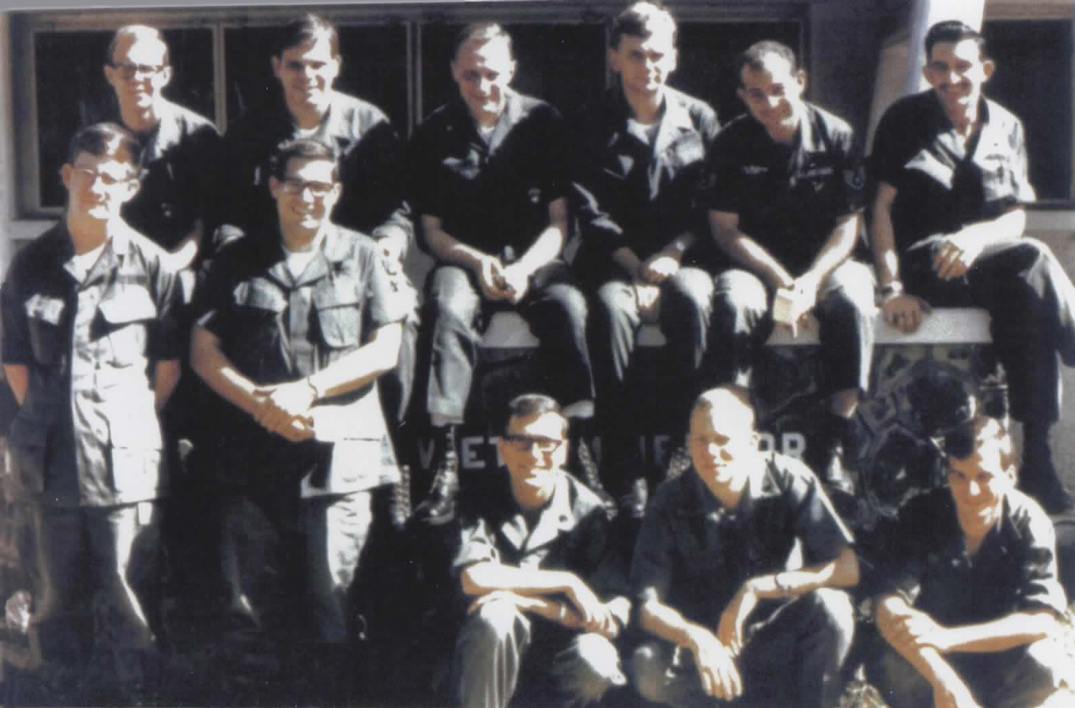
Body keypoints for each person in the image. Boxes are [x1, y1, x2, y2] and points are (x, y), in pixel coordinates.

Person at [190, 138, 406, 702]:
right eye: (295, 183)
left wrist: (308, 391)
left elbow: (385, 348)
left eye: (320, 186)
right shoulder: (238, 258)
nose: (307, 196)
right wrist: (260, 403)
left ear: (335, 192)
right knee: (250, 613)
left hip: (339, 461)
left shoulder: (362, 255)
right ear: (273, 186)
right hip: (251, 457)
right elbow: (203, 349)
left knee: (335, 602)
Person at [1, 123, 182, 698]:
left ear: (131, 186)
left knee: (132, 607)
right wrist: (58, 420)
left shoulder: (155, 266)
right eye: (88, 173)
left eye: (113, 176)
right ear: (66, 176)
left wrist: (117, 421)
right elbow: (16, 364)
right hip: (48, 466)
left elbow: (168, 369)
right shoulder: (30, 264)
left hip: (124, 470)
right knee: (53, 608)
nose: (98, 185)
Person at [869, 20, 1075, 513]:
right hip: (926, 267)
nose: (951, 78)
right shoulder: (904, 119)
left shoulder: (1006, 125)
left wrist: (976, 237)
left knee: (1031, 304)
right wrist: (891, 286)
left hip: (985, 265)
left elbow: (1015, 215)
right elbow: (878, 209)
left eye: (962, 67)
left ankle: (1038, 457)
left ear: (985, 69)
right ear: (926, 69)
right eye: (939, 67)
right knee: (1034, 260)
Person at [409, 23, 597, 523]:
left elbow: (560, 223)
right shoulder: (434, 132)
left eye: (492, 73)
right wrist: (477, 261)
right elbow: (429, 231)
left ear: (511, 69)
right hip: (465, 262)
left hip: (535, 259)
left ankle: (576, 446)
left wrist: (526, 267)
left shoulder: (543, 121)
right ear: (454, 71)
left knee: (569, 307)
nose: (482, 84)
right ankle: (444, 461)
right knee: (445, 308)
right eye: (470, 74)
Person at [219, 13, 418, 471]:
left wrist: (388, 246)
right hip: (272, 265)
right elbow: (228, 213)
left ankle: (401, 459)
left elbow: (396, 211)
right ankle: (238, 456)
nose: (307, 76)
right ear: (277, 67)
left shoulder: (371, 126)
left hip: (357, 267)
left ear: (336, 65)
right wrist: (231, 255)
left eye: (318, 64)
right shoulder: (251, 131)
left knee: (404, 324)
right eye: (295, 65)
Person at [706, 40, 875, 499]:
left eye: (779, 89)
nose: (770, 103)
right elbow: (725, 230)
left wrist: (811, 281)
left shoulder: (837, 135)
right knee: (733, 301)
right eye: (756, 94)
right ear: (742, 96)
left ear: (800, 82)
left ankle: (833, 443)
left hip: (827, 260)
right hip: (757, 265)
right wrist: (781, 280)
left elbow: (848, 225)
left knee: (856, 299)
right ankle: (732, 432)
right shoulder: (730, 142)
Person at [572, 1, 720, 517]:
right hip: (616, 262)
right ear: (615, 58)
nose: (647, 67)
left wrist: (674, 255)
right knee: (611, 312)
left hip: (685, 258)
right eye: (635, 55)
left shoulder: (700, 117)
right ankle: (623, 463)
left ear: (673, 58)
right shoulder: (592, 121)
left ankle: (685, 447)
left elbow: (711, 204)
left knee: (697, 300)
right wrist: (637, 265)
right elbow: (588, 211)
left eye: (657, 54)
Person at [630, 385, 859, 708]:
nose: (710, 452)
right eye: (701, 440)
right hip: (709, 653)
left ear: (752, 443)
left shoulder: (787, 477)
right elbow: (647, 607)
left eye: (723, 440)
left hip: (776, 640)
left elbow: (847, 568)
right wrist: (696, 638)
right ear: (687, 444)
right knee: (647, 666)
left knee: (831, 607)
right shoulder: (670, 499)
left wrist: (760, 588)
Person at [864, 399, 1073, 708]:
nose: (970, 492)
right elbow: (887, 607)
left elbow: (1040, 620)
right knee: (889, 660)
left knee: (1048, 663)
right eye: (958, 476)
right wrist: (944, 682)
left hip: (995, 653)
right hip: (933, 662)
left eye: (984, 477)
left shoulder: (1029, 521)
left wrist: (948, 637)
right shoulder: (923, 514)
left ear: (1009, 476)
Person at [450, 394, 629, 708]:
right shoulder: (478, 497)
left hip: (559, 656)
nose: (534, 455)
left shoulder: (589, 511)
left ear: (563, 450)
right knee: (496, 615)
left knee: (597, 658)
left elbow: (608, 620)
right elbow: (473, 577)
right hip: (490, 660)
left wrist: (523, 599)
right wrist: (566, 582)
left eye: (546, 443)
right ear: (502, 448)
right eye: (521, 442)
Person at [101, 25, 222, 270]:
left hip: (184, 271)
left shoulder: (200, 136)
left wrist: (170, 267)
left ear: (165, 75)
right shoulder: (96, 139)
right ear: (110, 75)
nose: (136, 79)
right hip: (116, 269)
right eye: (127, 69)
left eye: (147, 69)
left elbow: (207, 219)